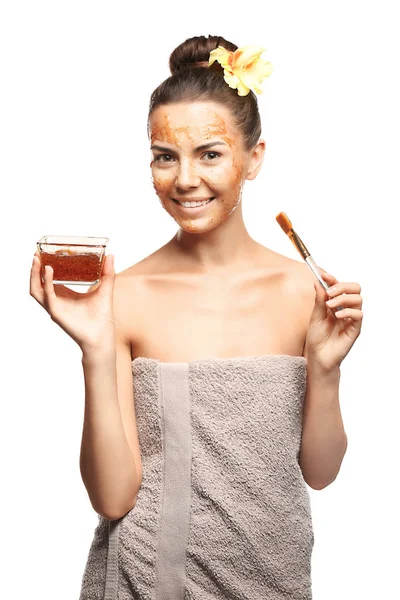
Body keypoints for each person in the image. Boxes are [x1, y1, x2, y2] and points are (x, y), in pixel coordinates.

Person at [30, 34, 363, 600]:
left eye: (210, 153)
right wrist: (94, 348)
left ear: (253, 158)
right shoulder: (124, 295)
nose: (185, 179)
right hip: (144, 582)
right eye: (166, 156)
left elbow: (320, 472)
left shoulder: (304, 293)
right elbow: (113, 498)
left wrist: (326, 368)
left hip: (273, 583)